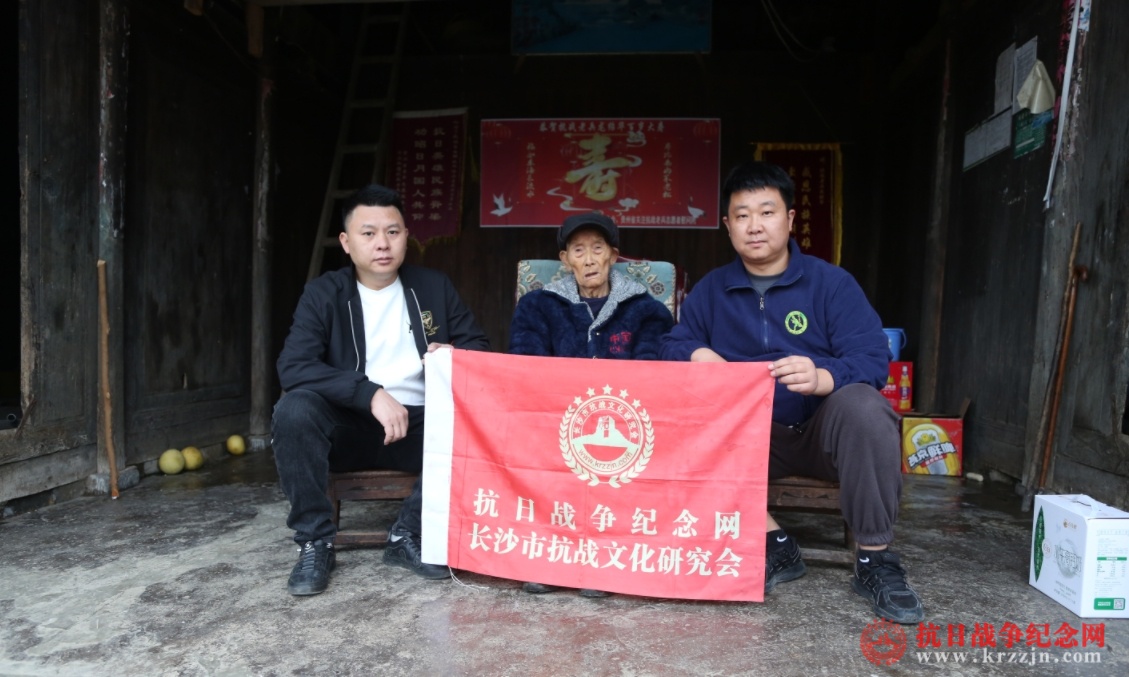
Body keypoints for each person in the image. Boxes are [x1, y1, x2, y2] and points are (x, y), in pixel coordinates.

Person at [659, 161, 924, 624]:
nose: (754, 226)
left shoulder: (831, 284)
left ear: (789, 219)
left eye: (766, 212)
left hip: (823, 432)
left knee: (866, 408)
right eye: (742, 215)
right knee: (675, 425)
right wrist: (697, 354)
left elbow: (871, 359)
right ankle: (775, 542)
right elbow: (670, 345)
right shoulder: (712, 290)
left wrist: (822, 376)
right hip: (749, 439)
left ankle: (875, 560)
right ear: (727, 225)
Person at [273, 184, 489, 596]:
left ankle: (407, 533)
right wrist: (368, 393)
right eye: (368, 233)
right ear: (346, 242)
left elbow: (479, 347)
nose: (382, 244)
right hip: (349, 427)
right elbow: (293, 367)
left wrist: (456, 354)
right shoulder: (324, 293)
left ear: (406, 236)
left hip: (421, 429)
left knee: (478, 422)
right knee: (294, 410)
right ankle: (315, 542)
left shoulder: (433, 287)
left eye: (392, 232)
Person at [510, 211, 674, 597]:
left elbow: (653, 375)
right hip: (555, 425)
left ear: (613, 256)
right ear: (565, 259)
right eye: (578, 250)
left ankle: (604, 559)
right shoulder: (538, 306)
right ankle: (552, 558)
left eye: (597, 249)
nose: (588, 260)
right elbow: (526, 369)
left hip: (624, 426)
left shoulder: (646, 310)